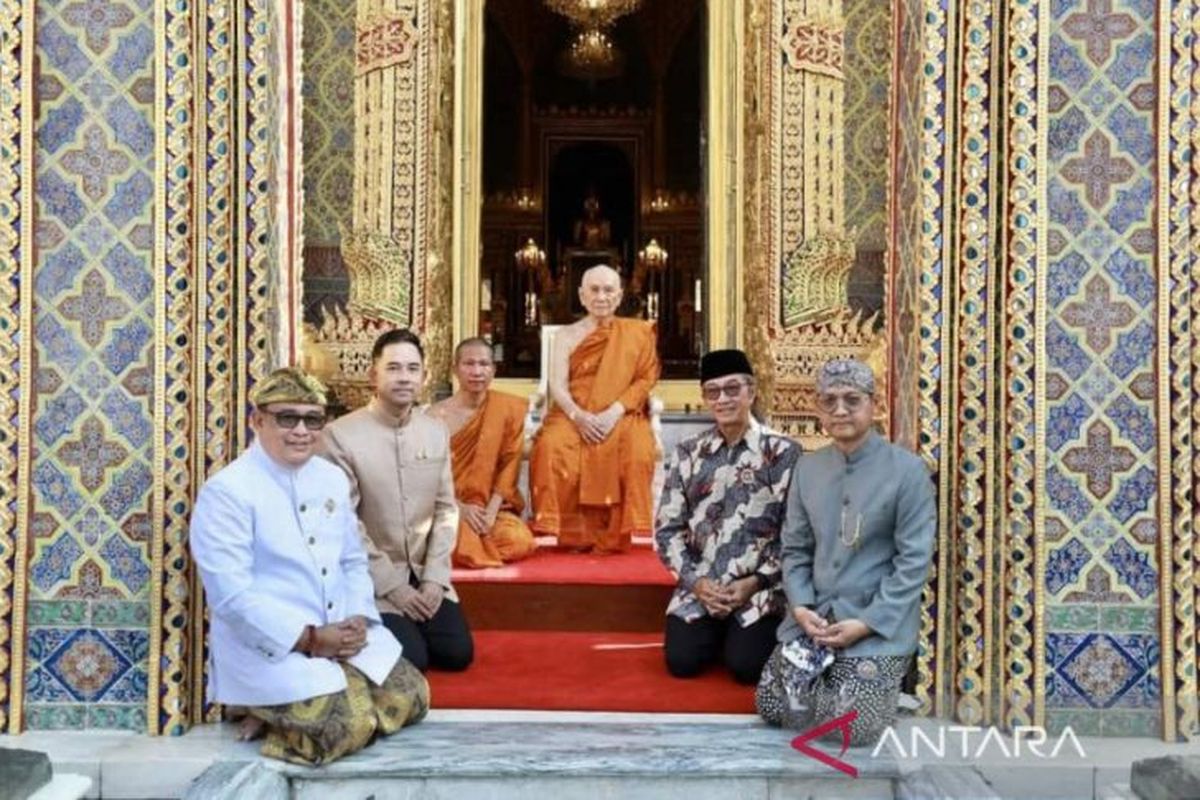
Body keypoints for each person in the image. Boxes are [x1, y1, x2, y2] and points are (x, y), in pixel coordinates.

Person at [190, 367, 427, 766]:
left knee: (414, 695)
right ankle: (259, 710)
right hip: (272, 647)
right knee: (347, 726)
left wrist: (356, 621)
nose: (301, 430)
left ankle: (289, 708)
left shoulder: (331, 478)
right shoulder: (228, 492)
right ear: (257, 420)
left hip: (339, 632)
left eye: (312, 419)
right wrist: (312, 639)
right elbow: (231, 597)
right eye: (287, 418)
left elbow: (352, 560)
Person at [756, 358, 935, 747]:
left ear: (875, 405)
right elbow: (795, 549)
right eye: (829, 401)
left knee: (851, 728)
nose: (840, 410)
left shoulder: (908, 472)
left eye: (852, 400)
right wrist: (801, 607)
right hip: (816, 621)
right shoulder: (808, 468)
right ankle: (854, 691)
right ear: (817, 408)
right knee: (770, 703)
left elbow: (913, 562)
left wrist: (867, 623)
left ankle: (875, 690)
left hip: (872, 624)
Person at [322, 329, 474, 672]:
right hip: (373, 577)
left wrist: (435, 577)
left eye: (411, 368)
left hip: (424, 572)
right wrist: (394, 588)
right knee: (412, 660)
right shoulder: (340, 436)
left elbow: (446, 508)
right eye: (393, 368)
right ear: (373, 374)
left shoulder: (435, 430)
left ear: (424, 375)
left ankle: (423, 607)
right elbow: (345, 523)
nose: (403, 377)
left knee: (456, 655)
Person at [654, 350, 802, 684]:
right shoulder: (689, 453)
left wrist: (756, 581)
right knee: (682, 662)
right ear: (705, 398)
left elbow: (794, 533)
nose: (723, 399)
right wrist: (697, 583)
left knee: (746, 668)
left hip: (758, 588)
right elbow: (667, 531)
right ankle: (717, 630)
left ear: (752, 391)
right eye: (713, 391)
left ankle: (736, 634)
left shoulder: (783, 453)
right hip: (702, 585)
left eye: (733, 389)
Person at [530, 264, 660, 553]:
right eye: (594, 289)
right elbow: (558, 386)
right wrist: (579, 417)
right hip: (573, 412)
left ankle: (612, 535)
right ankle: (573, 533)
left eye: (608, 290)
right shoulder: (565, 335)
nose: (601, 296)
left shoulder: (637, 333)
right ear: (581, 295)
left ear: (620, 295)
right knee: (551, 447)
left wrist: (614, 411)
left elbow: (645, 379)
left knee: (637, 449)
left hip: (622, 411)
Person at [429, 337, 537, 569]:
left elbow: (510, 465)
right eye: (469, 364)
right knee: (441, 533)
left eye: (484, 364)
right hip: (448, 505)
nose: (477, 371)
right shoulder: (435, 417)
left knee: (518, 541)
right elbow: (426, 476)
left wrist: (490, 512)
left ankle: (463, 548)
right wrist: (460, 507)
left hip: (490, 507)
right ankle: (464, 544)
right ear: (455, 369)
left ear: (494, 369)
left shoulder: (506, 409)